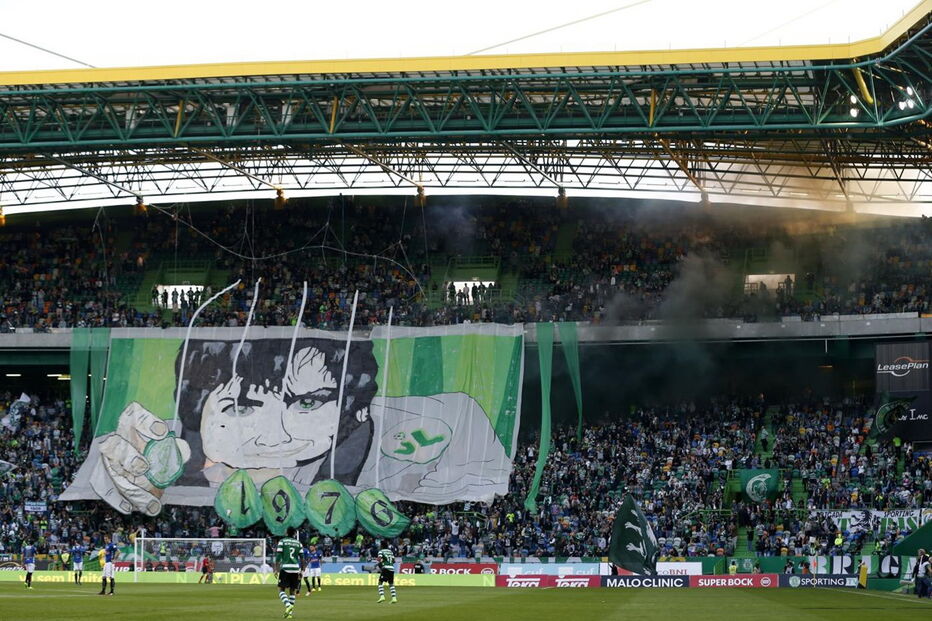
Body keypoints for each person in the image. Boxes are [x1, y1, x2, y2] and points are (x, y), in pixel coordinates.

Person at [276, 527, 302, 619]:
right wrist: (302, 570)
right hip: (295, 569)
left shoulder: (282, 541)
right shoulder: (298, 543)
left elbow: (278, 556)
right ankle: (289, 614)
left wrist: (276, 569)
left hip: (286, 568)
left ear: (287, 532)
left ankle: (288, 605)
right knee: (292, 591)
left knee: (281, 589)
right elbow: (302, 558)